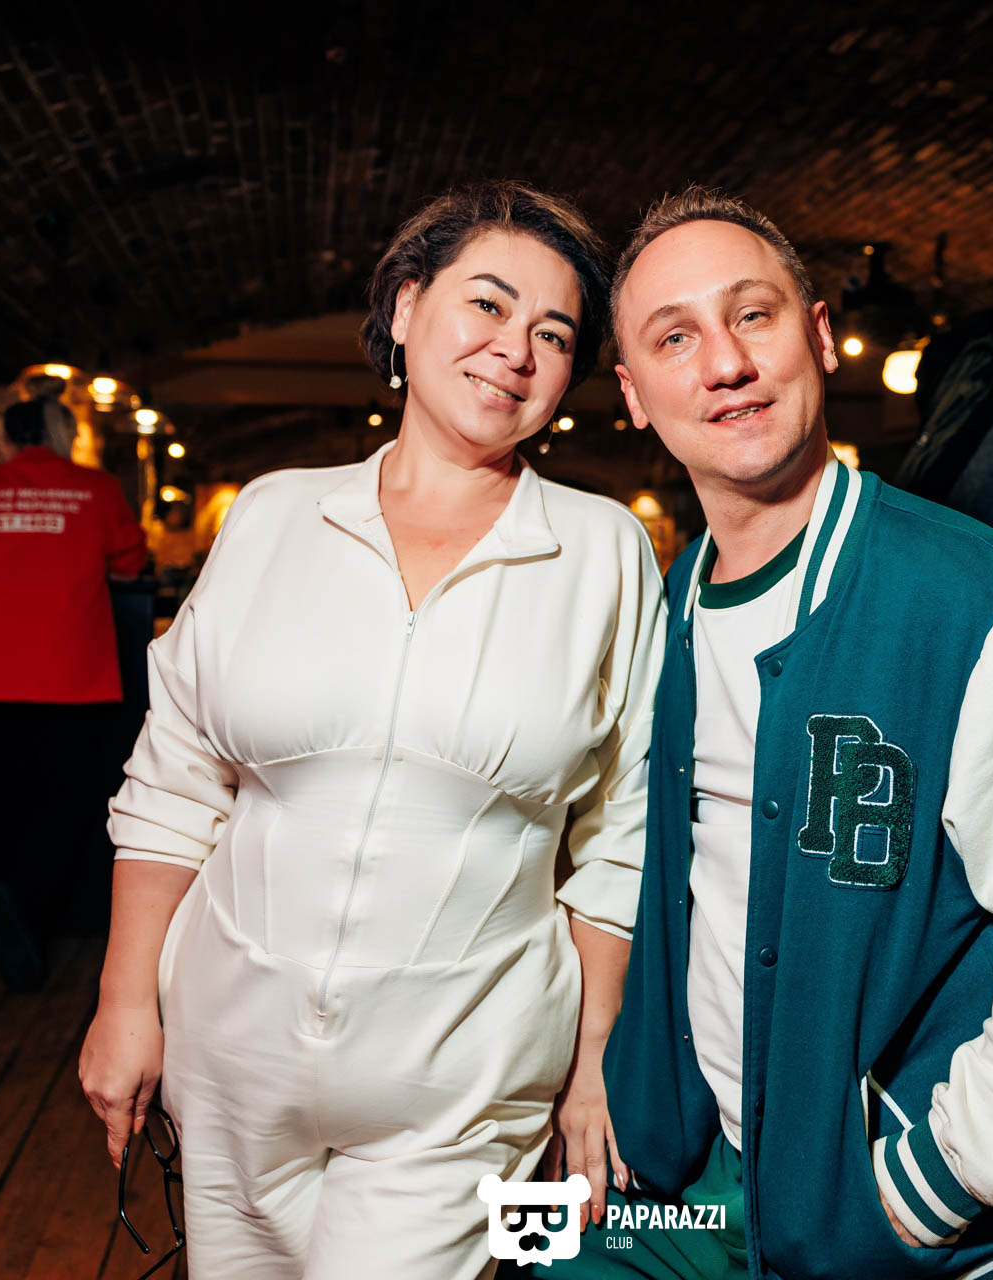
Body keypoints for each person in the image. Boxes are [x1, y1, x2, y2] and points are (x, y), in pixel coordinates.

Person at [560, 190, 993, 1280]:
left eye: (752, 315)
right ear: (633, 394)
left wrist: (923, 1186)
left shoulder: (971, 598)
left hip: (898, 1221)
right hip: (704, 1175)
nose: (726, 363)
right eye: (676, 337)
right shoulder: (675, 603)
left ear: (817, 335)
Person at [79, 181, 665, 1279]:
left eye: (554, 334)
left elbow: (622, 834)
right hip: (230, 1056)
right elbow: (174, 782)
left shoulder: (603, 553)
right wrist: (124, 1002)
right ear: (404, 306)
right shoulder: (273, 514)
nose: (515, 350)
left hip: (467, 1077)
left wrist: (594, 1062)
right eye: (487, 304)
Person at [0, 394, 148, 989]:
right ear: (64, 433)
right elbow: (130, 564)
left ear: (7, 438)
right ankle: (28, 909)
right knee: (58, 807)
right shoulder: (95, 489)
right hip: (66, 675)